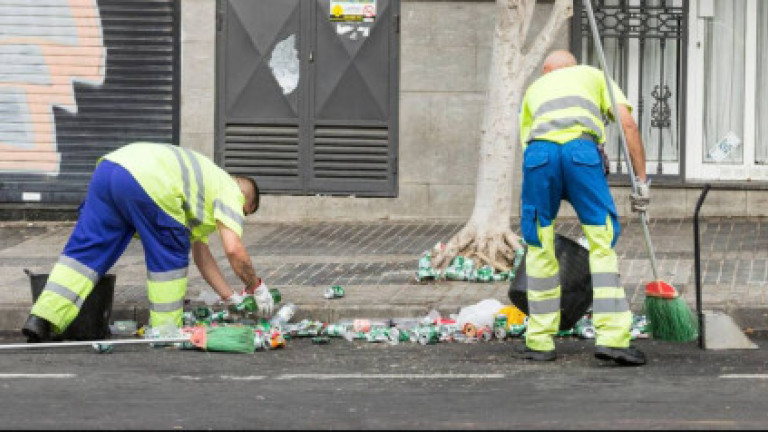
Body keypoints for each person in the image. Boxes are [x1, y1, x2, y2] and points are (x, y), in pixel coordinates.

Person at [22, 142, 274, 342]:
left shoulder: (204, 187)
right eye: (244, 213)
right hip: (149, 181)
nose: (238, 218)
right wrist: (256, 286)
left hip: (110, 168)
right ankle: (165, 330)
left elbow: (202, 256)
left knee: (84, 254)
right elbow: (233, 249)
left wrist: (230, 297)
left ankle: (42, 318)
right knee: (170, 252)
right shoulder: (229, 190)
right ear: (244, 201)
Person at [516, 50, 650, 366]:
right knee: (601, 242)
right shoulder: (592, 74)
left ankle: (539, 342)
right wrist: (642, 180)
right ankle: (613, 340)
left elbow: (529, 145)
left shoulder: (534, 90)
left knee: (538, 245)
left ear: (547, 71)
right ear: (572, 66)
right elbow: (627, 124)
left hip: (539, 157)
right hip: (581, 152)